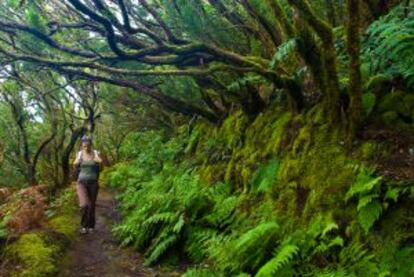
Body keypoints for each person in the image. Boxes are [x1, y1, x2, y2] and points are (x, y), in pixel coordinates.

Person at [73, 135, 102, 234]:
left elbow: (101, 164)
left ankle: (91, 226)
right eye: (84, 145)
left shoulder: (95, 153)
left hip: (93, 183)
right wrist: (77, 159)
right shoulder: (80, 154)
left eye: (88, 144)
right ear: (82, 145)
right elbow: (75, 164)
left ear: (90, 144)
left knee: (92, 205)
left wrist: (97, 157)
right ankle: (83, 226)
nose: (86, 147)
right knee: (84, 204)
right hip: (81, 183)